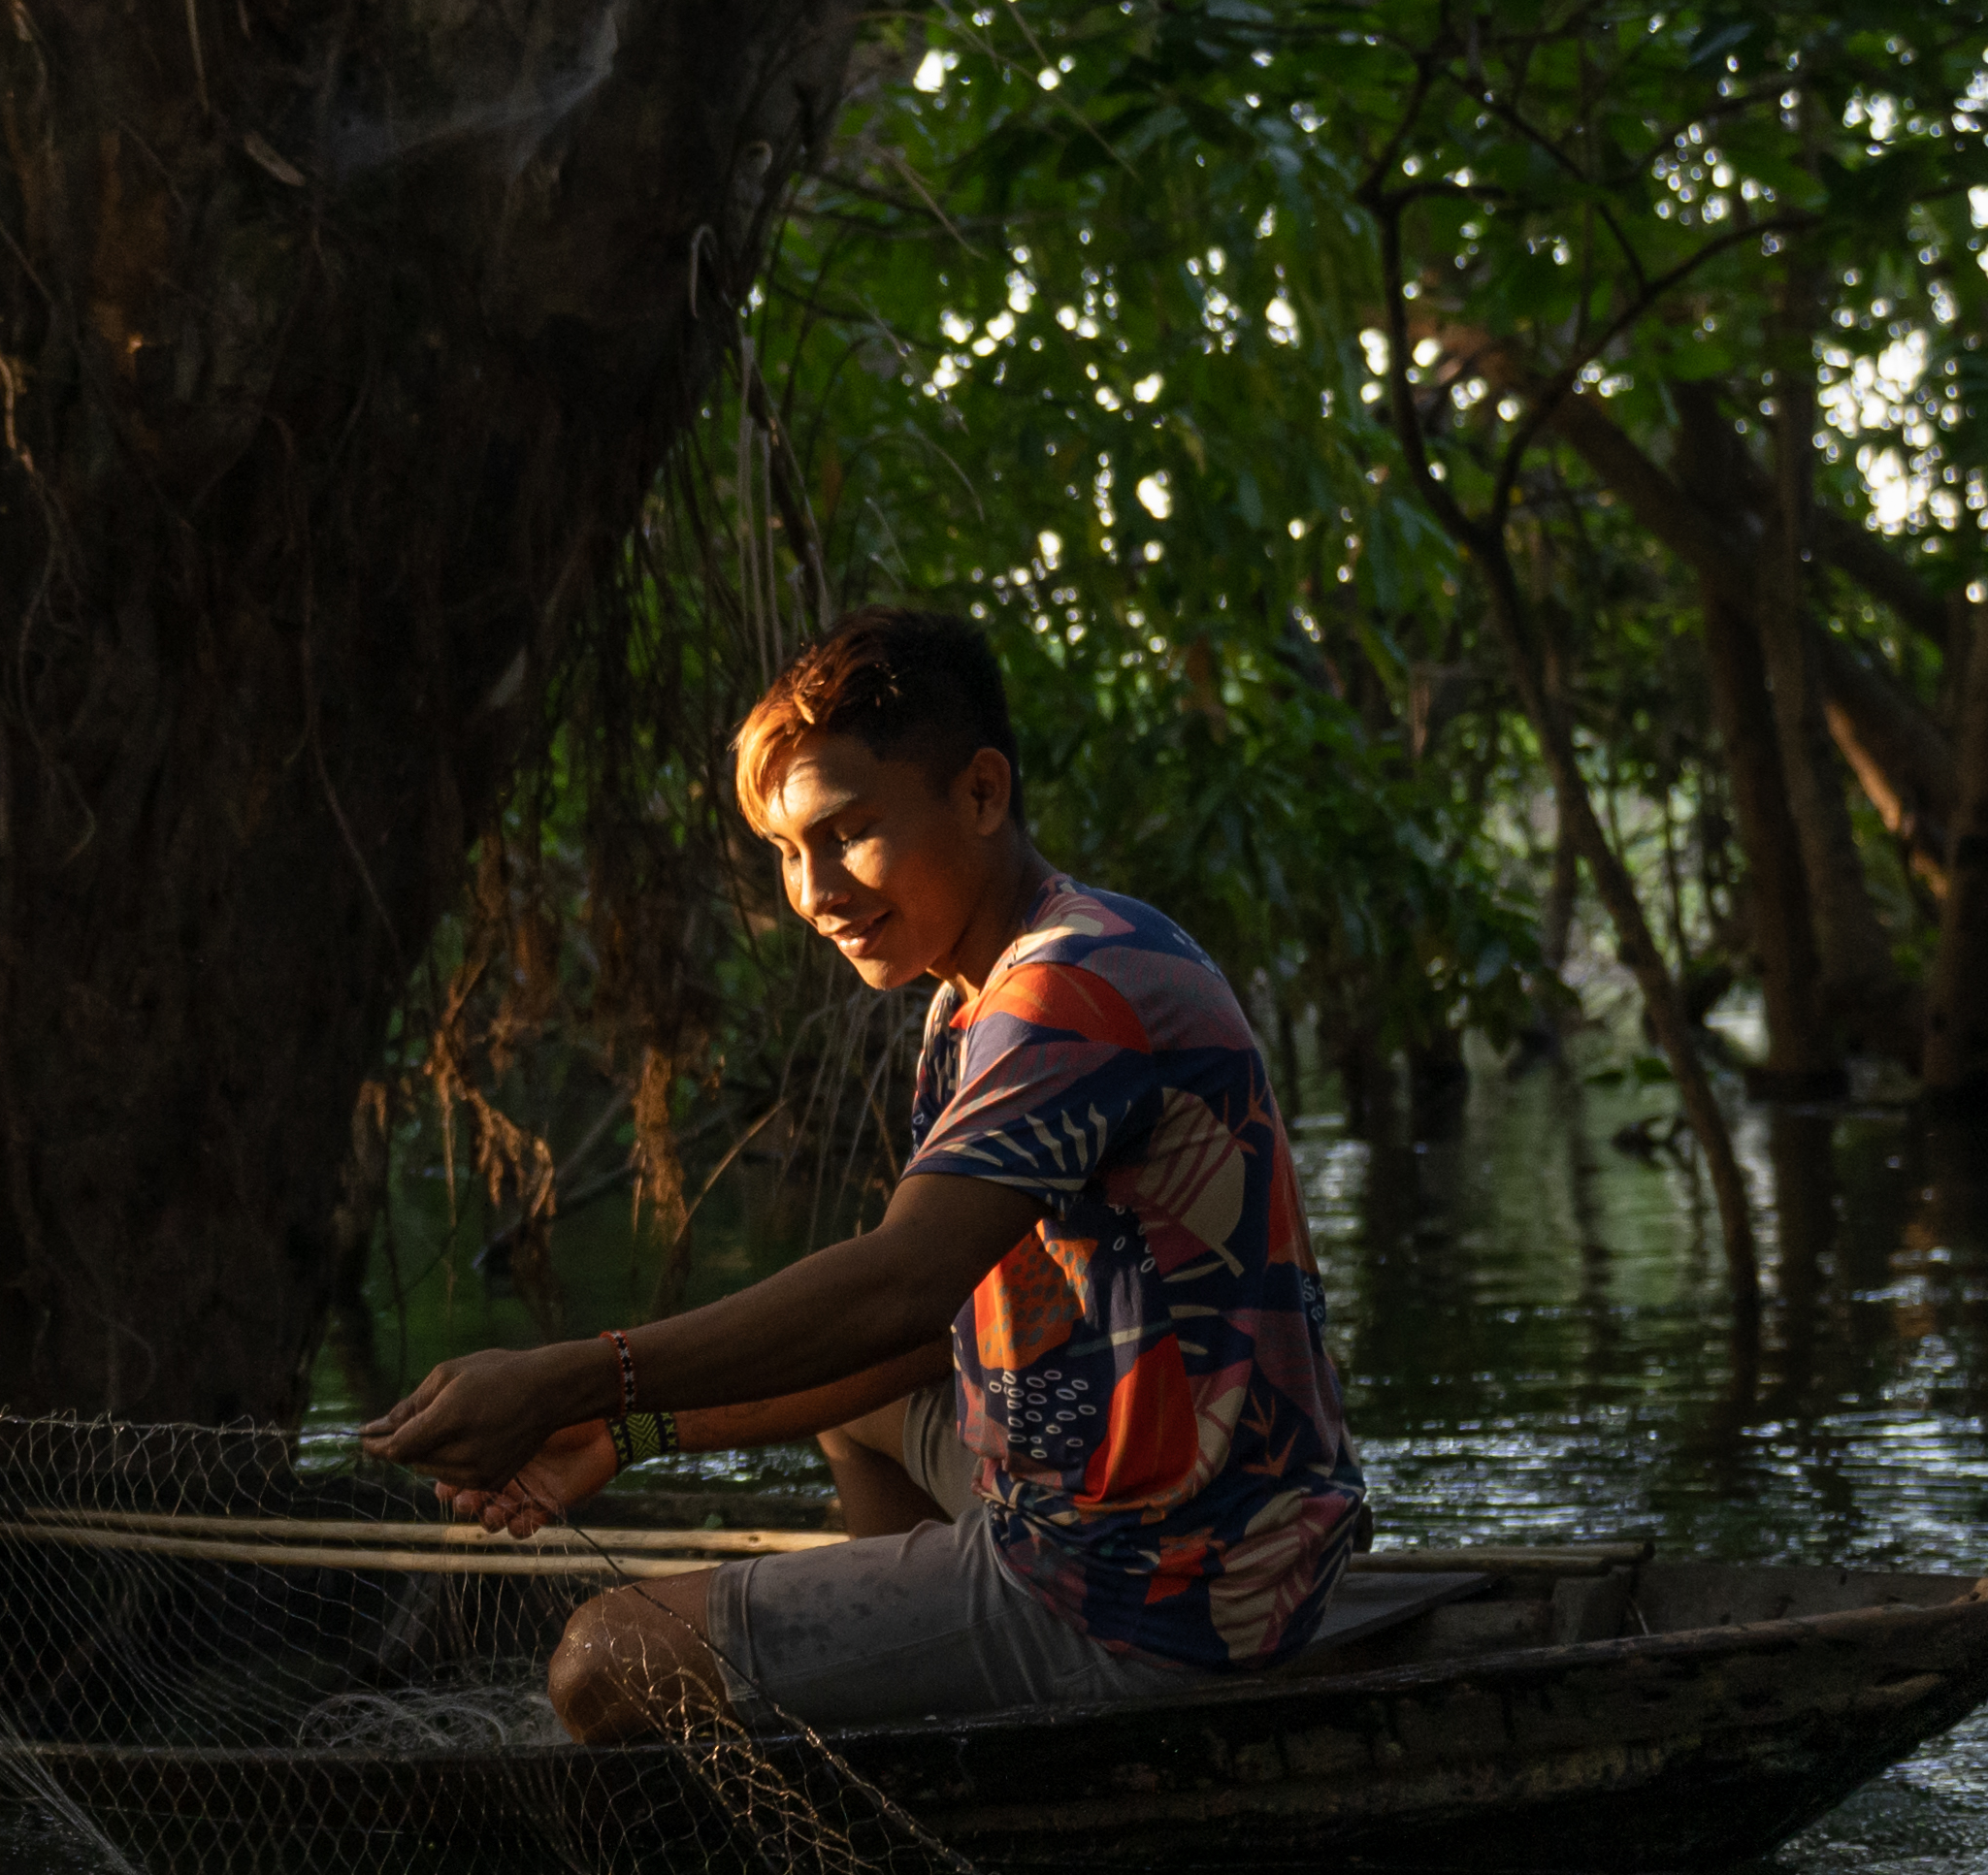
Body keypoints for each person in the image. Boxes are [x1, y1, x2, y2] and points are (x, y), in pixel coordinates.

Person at [362, 606, 1363, 1739]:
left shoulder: (1067, 988)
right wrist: (625, 1432)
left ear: (980, 795)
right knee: (875, 1405)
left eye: (845, 833)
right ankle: (901, 1678)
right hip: (1178, 1532)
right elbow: (910, 1340)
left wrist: (563, 1380)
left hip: (1154, 1589)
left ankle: (935, 1689)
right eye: (786, 853)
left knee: (602, 1658)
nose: (814, 891)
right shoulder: (969, 998)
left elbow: (898, 1283)